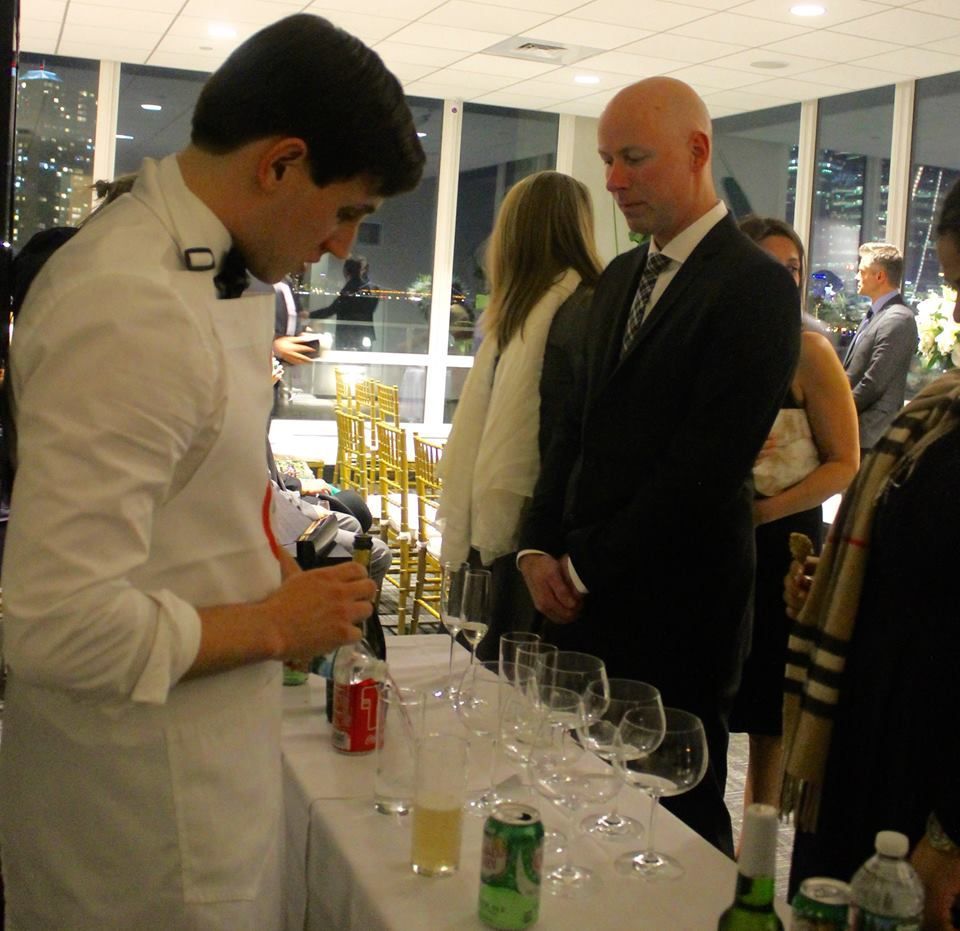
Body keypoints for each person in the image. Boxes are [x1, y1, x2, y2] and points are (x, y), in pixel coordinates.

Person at [0, 14, 424, 930]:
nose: (343, 244)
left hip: (192, 784)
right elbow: (54, 627)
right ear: (280, 163)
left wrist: (263, 551)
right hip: (142, 833)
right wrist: (273, 621)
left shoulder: (185, 269)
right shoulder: (134, 304)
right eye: (346, 209)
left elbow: (184, 484)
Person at [516, 77, 801, 857]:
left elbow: (703, 466)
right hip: (584, 597)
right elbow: (571, 431)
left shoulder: (755, 288)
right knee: (574, 801)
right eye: (608, 160)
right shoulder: (617, 281)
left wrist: (582, 567)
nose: (612, 181)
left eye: (634, 158)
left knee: (671, 828)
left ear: (697, 151)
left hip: (679, 609)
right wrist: (538, 547)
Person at [782, 183, 960, 930]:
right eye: (956, 282)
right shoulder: (942, 410)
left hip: (928, 772)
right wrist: (835, 590)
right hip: (870, 739)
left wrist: (952, 835)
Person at [437, 170, 603, 661]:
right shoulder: (566, 310)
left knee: (507, 672)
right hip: (533, 526)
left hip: (532, 530)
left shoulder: (542, 317)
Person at [728, 216, 859, 821]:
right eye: (769, 268)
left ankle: (756, 850)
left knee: (768, 714)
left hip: (786, 546)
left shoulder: (810, 352)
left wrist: (766, 511)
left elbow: (845, 464)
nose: (784, 281)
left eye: (794, 270)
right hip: (715, 546)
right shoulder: (717, 344)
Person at [844, 242, 918, 456]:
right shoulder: (879, 314)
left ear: (880, 277)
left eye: (862, 271)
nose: (857, 277)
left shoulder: (898, 318)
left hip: (871, 435)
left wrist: (837, 413)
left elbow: (874, 382)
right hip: (859, 431)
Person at [310, 254, 379, 349]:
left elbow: (332, 309)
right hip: (364, 336)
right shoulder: (368, 289)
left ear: (346, 272)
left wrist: (310, 315)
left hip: (347, 337)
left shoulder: (349, 289)